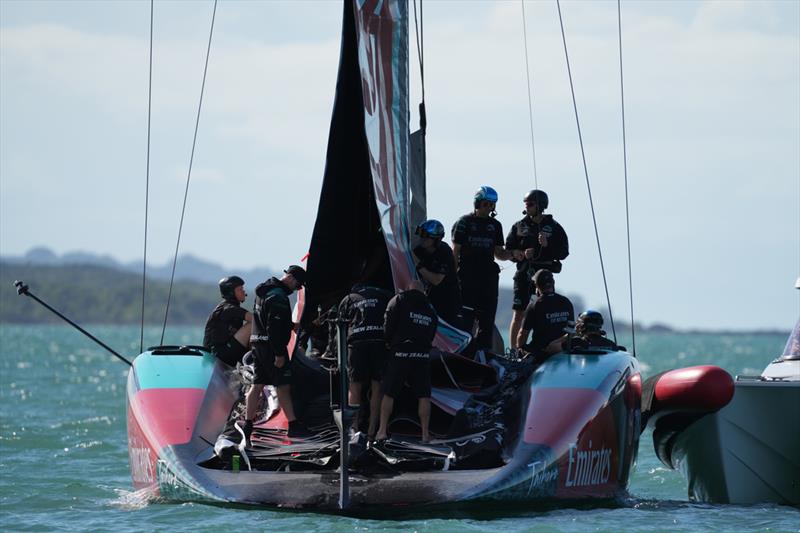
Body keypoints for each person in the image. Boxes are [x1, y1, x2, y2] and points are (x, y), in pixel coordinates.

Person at [237, 265, 310, 444]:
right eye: (298, 285)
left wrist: (291, 325)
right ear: (291, 278)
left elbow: (265, 319)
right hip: (271, 347)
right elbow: (274, 327)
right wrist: (279, 354)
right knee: (283, 385)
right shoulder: (279, 297)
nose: (297, 289)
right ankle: (294, 426)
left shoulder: (264, 290)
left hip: (257, 344)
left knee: (258, 383)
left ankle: (247, 425)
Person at [451, 186, 517, 353]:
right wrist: (452, 276)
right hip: (467, 277)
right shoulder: (463, 222)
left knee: (487, 319)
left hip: (488, 278)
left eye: (491, 205)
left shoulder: (495, 225)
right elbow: (455, 251)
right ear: (477, 203)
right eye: (485, 204)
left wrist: (514, 254)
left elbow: (499, 253)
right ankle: (463, 352)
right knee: (466, 318)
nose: (488, 208)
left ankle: (486, 354)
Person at [375, 280, 439, 443]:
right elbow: (432, 332)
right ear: (423, 291)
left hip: (400, 353)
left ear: (408, 288)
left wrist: (389, 341)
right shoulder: (430, 308)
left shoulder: (399, 299)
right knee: (424, 395)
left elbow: (388, 321)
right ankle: (425, 434)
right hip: (422, 355)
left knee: (389, 393)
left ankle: (382, 430)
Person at [506, 189, 569, 349]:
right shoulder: (519, 226)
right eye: (525, 204)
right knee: (519, 313)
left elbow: (564, 252)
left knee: (542, 312)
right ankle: (514, 352)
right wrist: (518, 253)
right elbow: (508, 250)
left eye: (530, 204)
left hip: (543, 278)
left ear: (540, 206)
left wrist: (547, 246)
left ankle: (542, 346)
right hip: (523, 275)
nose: (526, 207)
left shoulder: (554, 227)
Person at [338, 283, 392, 438]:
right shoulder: (384, 294)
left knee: (354, 388)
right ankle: (372, 429)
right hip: (379, 342)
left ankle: (353, 429)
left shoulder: (348, 298)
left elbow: (340, 325)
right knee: (377, 387)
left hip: (357, 344)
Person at [517, 269, 574, 363]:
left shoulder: (534, 305)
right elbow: (571, 331)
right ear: (553, 283)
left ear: (537, 285)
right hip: (562, 349)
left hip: (542, 352)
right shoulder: (566, 302)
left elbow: (523, 334)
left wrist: (519, 349)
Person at [412, 219, 461, 325]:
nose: (422, 238)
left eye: (425, 236)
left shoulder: (444, 252)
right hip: (431, 298)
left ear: (436, 239)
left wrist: (418, 264)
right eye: (421, 235)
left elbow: (436, 280)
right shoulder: (419, 251)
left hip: (448, 301)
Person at [203, 275, 253, 366]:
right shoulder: (229, 308)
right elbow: (256, 319)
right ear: (231, 293)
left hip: (219, 353)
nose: (243, 291)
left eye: (243, 288)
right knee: (251, 325)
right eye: (239, 289)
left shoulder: (227, 306)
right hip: (220, 355)